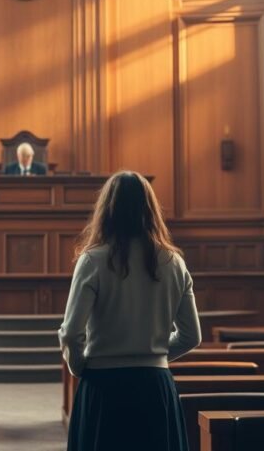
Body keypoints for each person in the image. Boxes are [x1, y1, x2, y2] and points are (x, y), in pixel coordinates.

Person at [59, 171, 201, 451]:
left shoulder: (93, 260)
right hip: (154, 386)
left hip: (104, 386)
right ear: (150, 209)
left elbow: (72, 333)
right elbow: (191, 336)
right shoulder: (174, 262)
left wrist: (80, 367)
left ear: (107, 210)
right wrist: (152, 354)